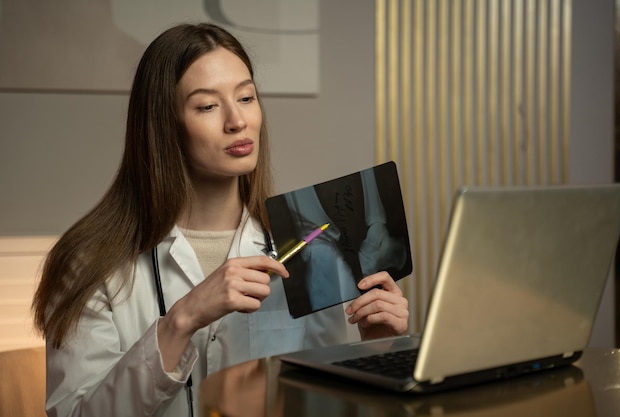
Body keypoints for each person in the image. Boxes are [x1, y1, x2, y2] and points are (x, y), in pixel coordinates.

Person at [32, 22, 409, 417]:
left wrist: (375, 350)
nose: (237, 120)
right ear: (164, 126)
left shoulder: (310, 248)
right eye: (208, 106)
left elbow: (322, 407)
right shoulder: (87, 261)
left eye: (246, 97)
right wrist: (181, 320)